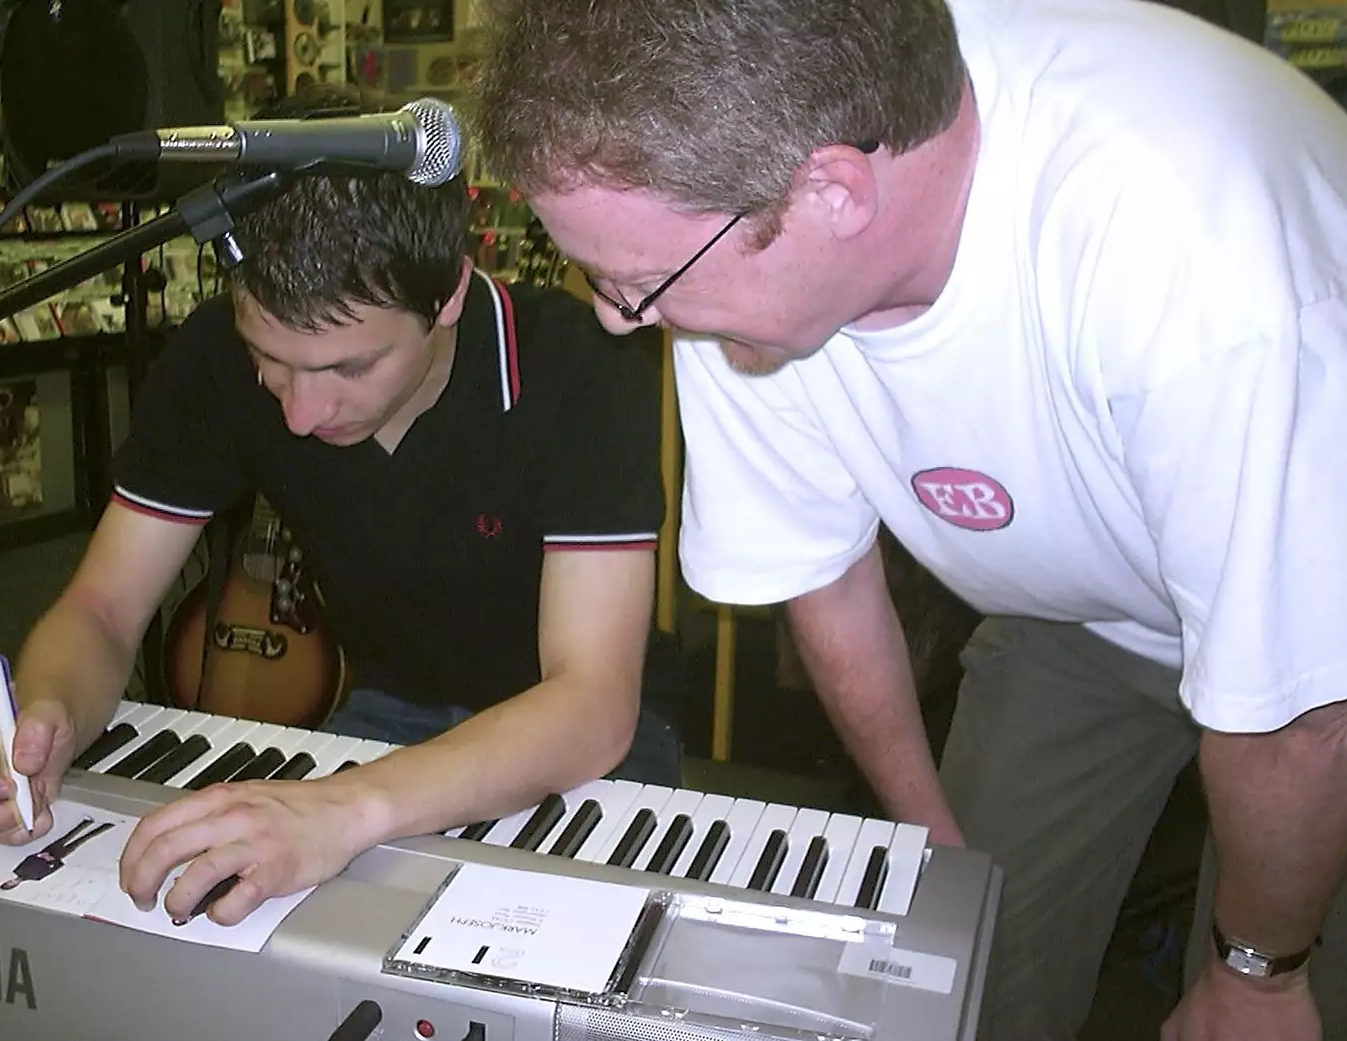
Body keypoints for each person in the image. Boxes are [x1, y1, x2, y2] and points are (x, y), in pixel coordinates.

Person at [466, 2, 1347, 1040]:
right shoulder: (734, 197)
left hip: (1322, 632)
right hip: (1077, 613)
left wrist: (1256, 972)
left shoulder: (1191, 254)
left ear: (832, 191)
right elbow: (822, 575)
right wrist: (935, 853)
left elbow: (1300, 718)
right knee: (965, 972)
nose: (620, 318)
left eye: (635, 283)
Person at [0, 84, 681, 930]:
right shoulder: (214, 357)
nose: (298, 414)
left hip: (585, 743)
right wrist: (50, 711)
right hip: (387, 714)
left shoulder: (577, 368)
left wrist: (344, 809)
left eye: (349, 369)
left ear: (452, 298)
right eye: (269, 360)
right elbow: (103, 607)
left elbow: (592, 701)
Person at [0, 818, 116, 890]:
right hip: (56, 857)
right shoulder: (36, 878)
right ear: (15, 886)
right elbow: (52, 869)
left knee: (66, 837)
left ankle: (86, 823)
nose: (13, 882)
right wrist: (52, 861)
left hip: (46, 851)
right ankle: (105, 827)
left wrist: (40, 855)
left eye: (9, 882)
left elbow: (28, 859)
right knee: (81, 841)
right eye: (12, 884)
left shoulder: (18, 870)